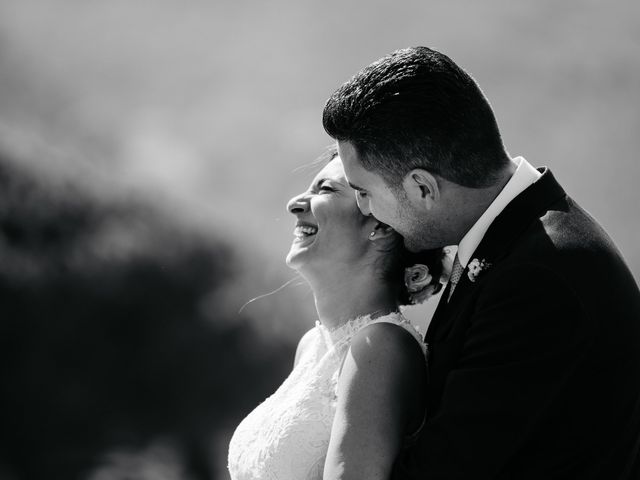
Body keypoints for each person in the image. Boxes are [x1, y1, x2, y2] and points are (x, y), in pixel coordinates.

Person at [322, 46, 640, 479]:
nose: (366, 208)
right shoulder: (527, 243)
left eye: (364, 191)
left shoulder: (538, 280)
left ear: (421, 188)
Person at [227, 149, 445, 480]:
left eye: (325, 189)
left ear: (382, 224)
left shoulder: (380, 345)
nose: (295, 203)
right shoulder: (312, 344)